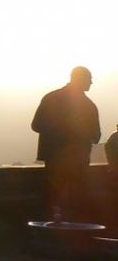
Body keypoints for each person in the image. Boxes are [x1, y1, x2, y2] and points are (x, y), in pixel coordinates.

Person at [31, 66, 101, 222]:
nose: (91, 82)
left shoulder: (51, 98)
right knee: (77, 203)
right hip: (78, 162)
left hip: (54, 160)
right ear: (80, 79)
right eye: (89, 79)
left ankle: (45, 235)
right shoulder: (89, 106)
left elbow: (36, 125)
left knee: (50, 200)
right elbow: (96, 136)